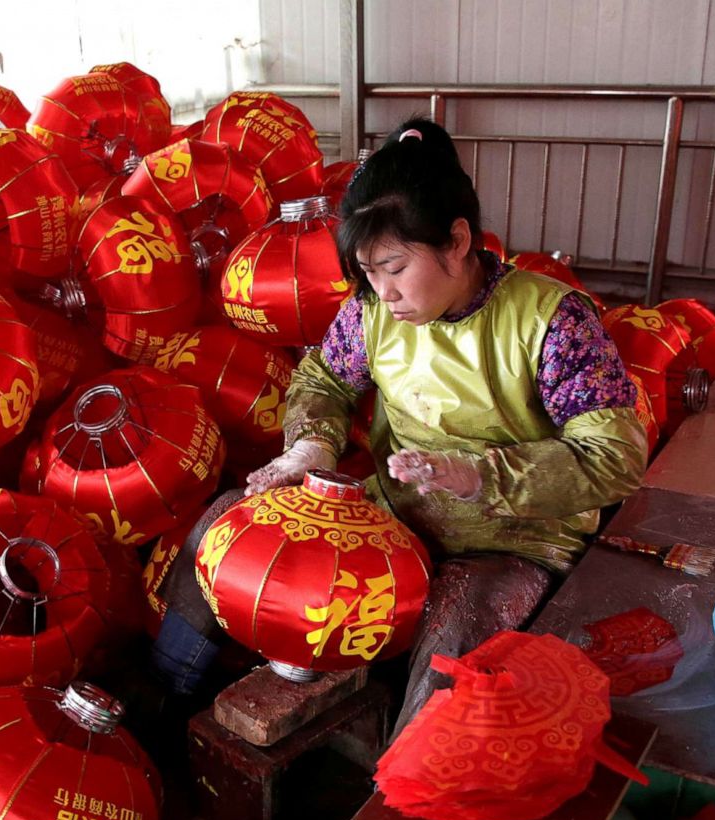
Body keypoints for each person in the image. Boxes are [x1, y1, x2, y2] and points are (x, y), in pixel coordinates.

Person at [154, 118, 648, 737]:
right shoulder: (368, 312)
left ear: (457, 240)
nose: (381, 292)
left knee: (457, 620)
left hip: (516, 539)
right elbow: (324, 381)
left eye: (392, 266)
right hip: (395, 516)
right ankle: (168, 701)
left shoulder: (552, 320)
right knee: (224, 524)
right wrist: (310, 446)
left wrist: (479, 476)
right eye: (367, 271)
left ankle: (396, 800)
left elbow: (613, 457)